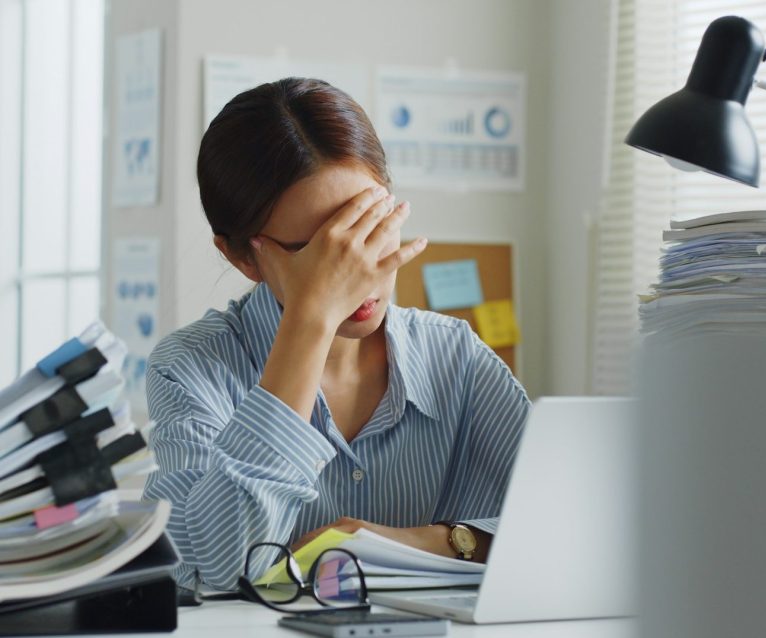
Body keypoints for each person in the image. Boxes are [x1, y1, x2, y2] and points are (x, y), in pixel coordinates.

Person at [142, 77, 530, 591]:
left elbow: (573, 529)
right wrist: (311, 320)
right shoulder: (191, 367)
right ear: (241, 256)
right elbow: (213, 565)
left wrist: (416, 540)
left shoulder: (455, 357)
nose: (358, 266)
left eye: (369, 225)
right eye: (316, 250)